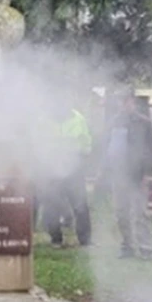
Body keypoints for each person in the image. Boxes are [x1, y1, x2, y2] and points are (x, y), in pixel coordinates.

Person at [99, 91, 152, 260]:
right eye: (121, 101)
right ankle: (127, 246)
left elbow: (151, 151)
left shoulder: (144, 123)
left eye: (128, 101)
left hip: (138, 175)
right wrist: (103, 170)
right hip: (119, 174)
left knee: (140, 212)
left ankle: (146, 248)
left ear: (133, 102)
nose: (125, 105)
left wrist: (149, 174)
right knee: (120, 212)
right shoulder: (113, 122)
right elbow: (107, 148)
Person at [42, 105, 93, 247]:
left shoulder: (78, 119)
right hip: (52, 169)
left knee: (80, 205)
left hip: (74, 168)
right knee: (52, 205)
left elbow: (86, 141)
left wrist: (84, 156)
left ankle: (85, 240)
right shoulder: (45, 120)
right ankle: (56, 239)